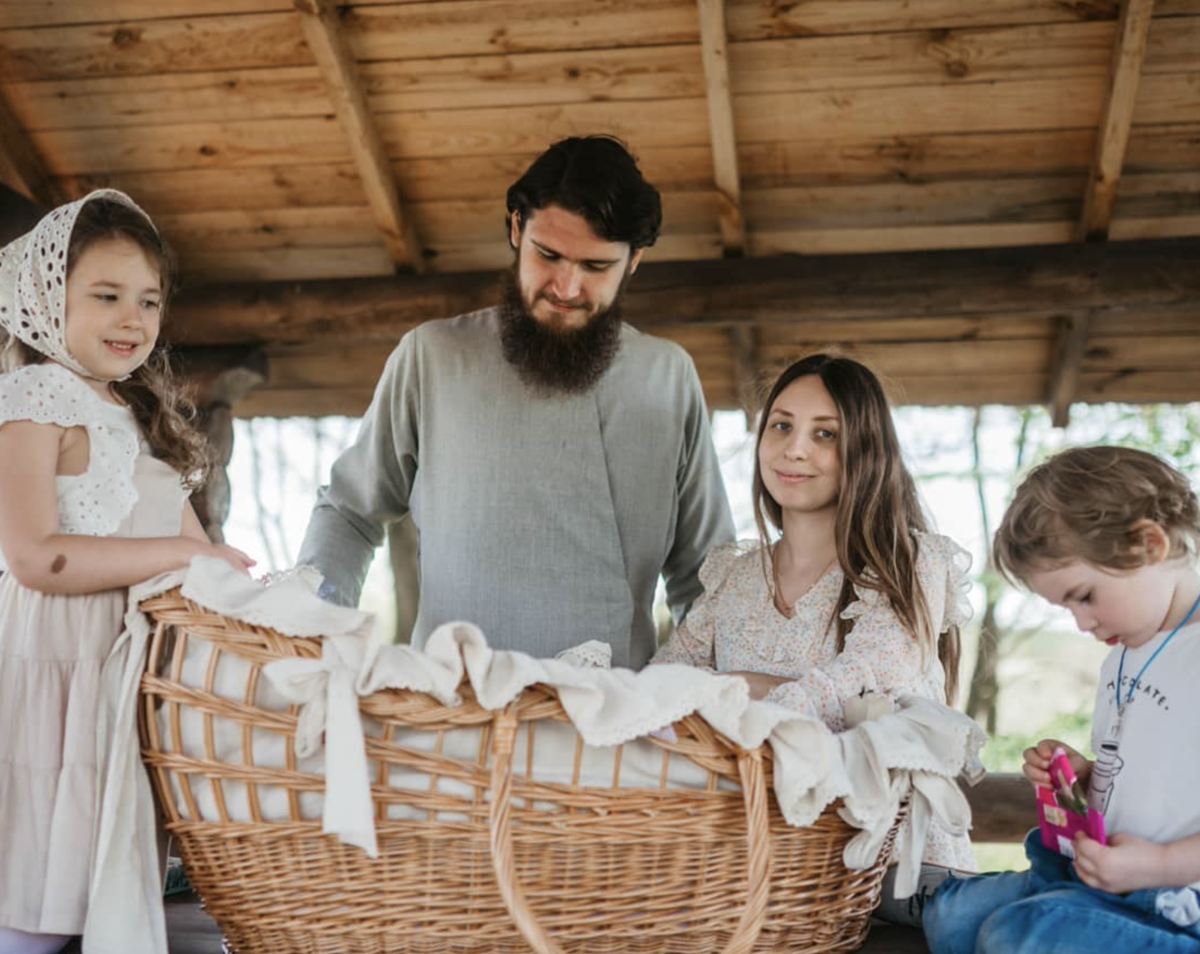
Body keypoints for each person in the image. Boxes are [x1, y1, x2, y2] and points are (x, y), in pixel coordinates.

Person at [297, 136, 734, 668]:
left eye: (596, 267)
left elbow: (707, 578)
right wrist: (312, 631)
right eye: (548, 255)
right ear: (514, 229)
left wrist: (716, 697)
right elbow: (348, 511)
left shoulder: (668, 377)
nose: (567, 287)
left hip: (614, 723)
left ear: (634, 261)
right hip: (450, 715)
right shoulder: (432, 356)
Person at [0, 190, 254, 954]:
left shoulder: (139, 418)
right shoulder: (34, 394)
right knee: (36, 891)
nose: (131, 319)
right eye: (105, 296)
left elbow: (201, 560)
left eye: (148, 300)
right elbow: (35, 555)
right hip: (53, 677)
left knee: (104, 892)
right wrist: (189, 554)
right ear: (51, 298)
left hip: (121, 690)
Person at [651, 352, 976, 870]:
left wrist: (723, 687)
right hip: (771, 863)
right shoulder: (734, 576)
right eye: (781, 426)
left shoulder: (908, 564)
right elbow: (661, 682)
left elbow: (859, 692)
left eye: (825, 434)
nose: (794, 449)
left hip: (886, 867)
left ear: (865, 451)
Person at [923, 445, 1200, 954]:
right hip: (1100, 880)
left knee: (1019, 937)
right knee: (951, 916)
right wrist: (1086, 776)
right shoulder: (1126, 648)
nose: (1081, 623)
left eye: (1084, 596)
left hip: (1177, 903)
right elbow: (1157, 777)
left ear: (1149, 544)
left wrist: (1158, 866)